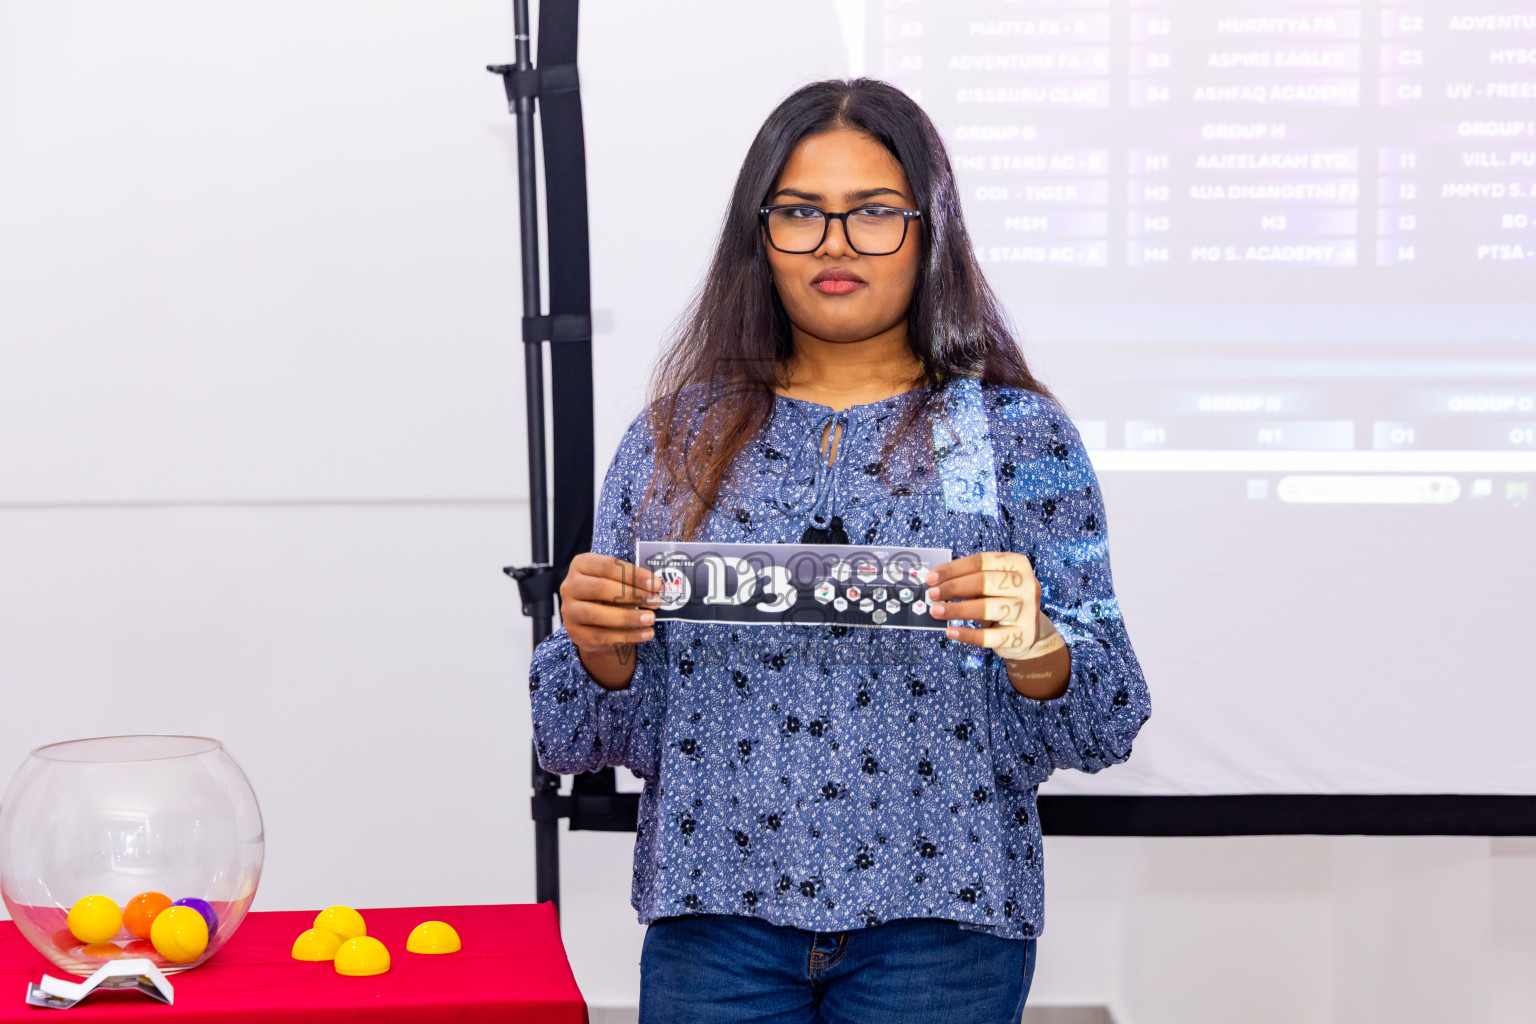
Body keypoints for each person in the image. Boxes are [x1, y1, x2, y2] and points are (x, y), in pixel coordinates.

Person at [528, 78, 1150, 1024]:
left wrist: (1040, 648)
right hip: (715, 915)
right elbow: (579, 733)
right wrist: (600, 653)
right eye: (800, 214)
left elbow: (1107, 716)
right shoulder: (676, 437)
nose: (834, 243)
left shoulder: (1014, 435)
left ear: (929, 231)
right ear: (759, 235)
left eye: (873, 215)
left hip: (947, 922)